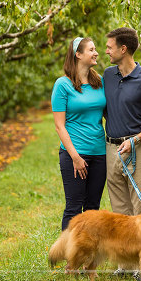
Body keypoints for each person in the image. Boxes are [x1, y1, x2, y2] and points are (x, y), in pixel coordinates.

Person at [103, 27, 141, 216]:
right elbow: (107, 108)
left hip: (137, 148)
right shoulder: (107, 75)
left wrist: (134, 140)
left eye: (109, 47)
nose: (106, 51)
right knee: (119, 210)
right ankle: (125, 247)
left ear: (123, 49)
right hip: (112, 148)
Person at [51, 37, 107, 231]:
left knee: (93, 209)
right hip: (75, 153)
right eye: (91, 49)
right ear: (78, 54)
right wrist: (75, 157)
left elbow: (113, 110)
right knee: (74, 209)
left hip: (100, 153)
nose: (96, 53)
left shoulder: (99, 81)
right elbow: (59, 126)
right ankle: (69, 254)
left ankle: (88, 258)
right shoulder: (62, 85)